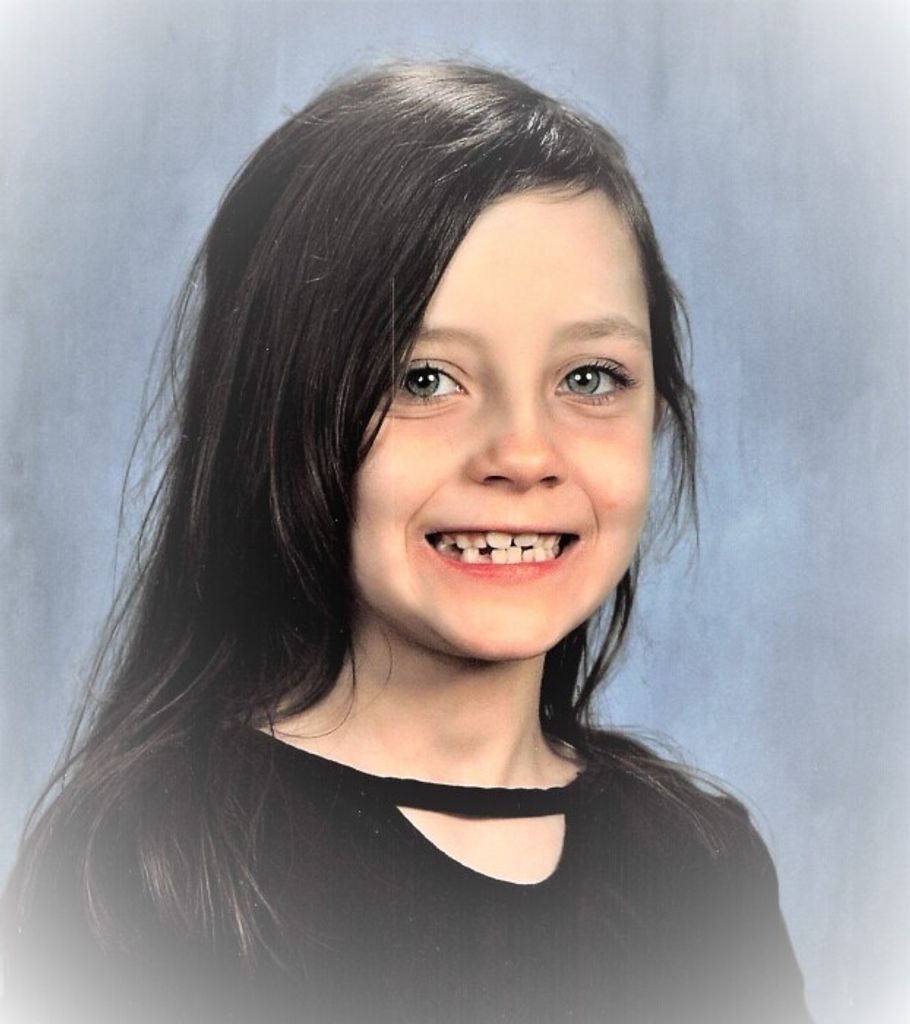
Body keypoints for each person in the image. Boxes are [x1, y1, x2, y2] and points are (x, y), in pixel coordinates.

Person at [2, 61, 812, 1024]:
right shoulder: (153, 865)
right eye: (424, 379)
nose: (524, 454)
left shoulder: (704, 868)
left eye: (590, 378)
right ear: (280, 414)